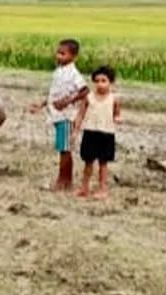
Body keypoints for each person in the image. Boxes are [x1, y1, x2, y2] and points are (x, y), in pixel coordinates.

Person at [29, 39, 90, 191]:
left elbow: (85, 91)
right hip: (57, 115)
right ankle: (64, 180)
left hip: (66, 116)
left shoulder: (73, 73)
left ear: (73, 56)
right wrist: (42, 105)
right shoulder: (59, 71)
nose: (59, 56)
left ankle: (64, 180)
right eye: (58, 53)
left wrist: (67, 101)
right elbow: (54, 93)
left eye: (63, 54)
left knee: (65, 149)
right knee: (62, 148)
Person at [74, 65, 121, 199]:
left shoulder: (114, 99)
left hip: (106, 133)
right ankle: (84, 187)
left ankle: (102, 188)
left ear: (110, 82)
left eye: (103, 81)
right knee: (88, 162)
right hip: (90, 132)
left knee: (103, 163)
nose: (100, 84)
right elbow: (80, 114)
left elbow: (117, 114)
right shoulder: (89, 97)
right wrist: (76, 131)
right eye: (97, 81)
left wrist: (117, 119)